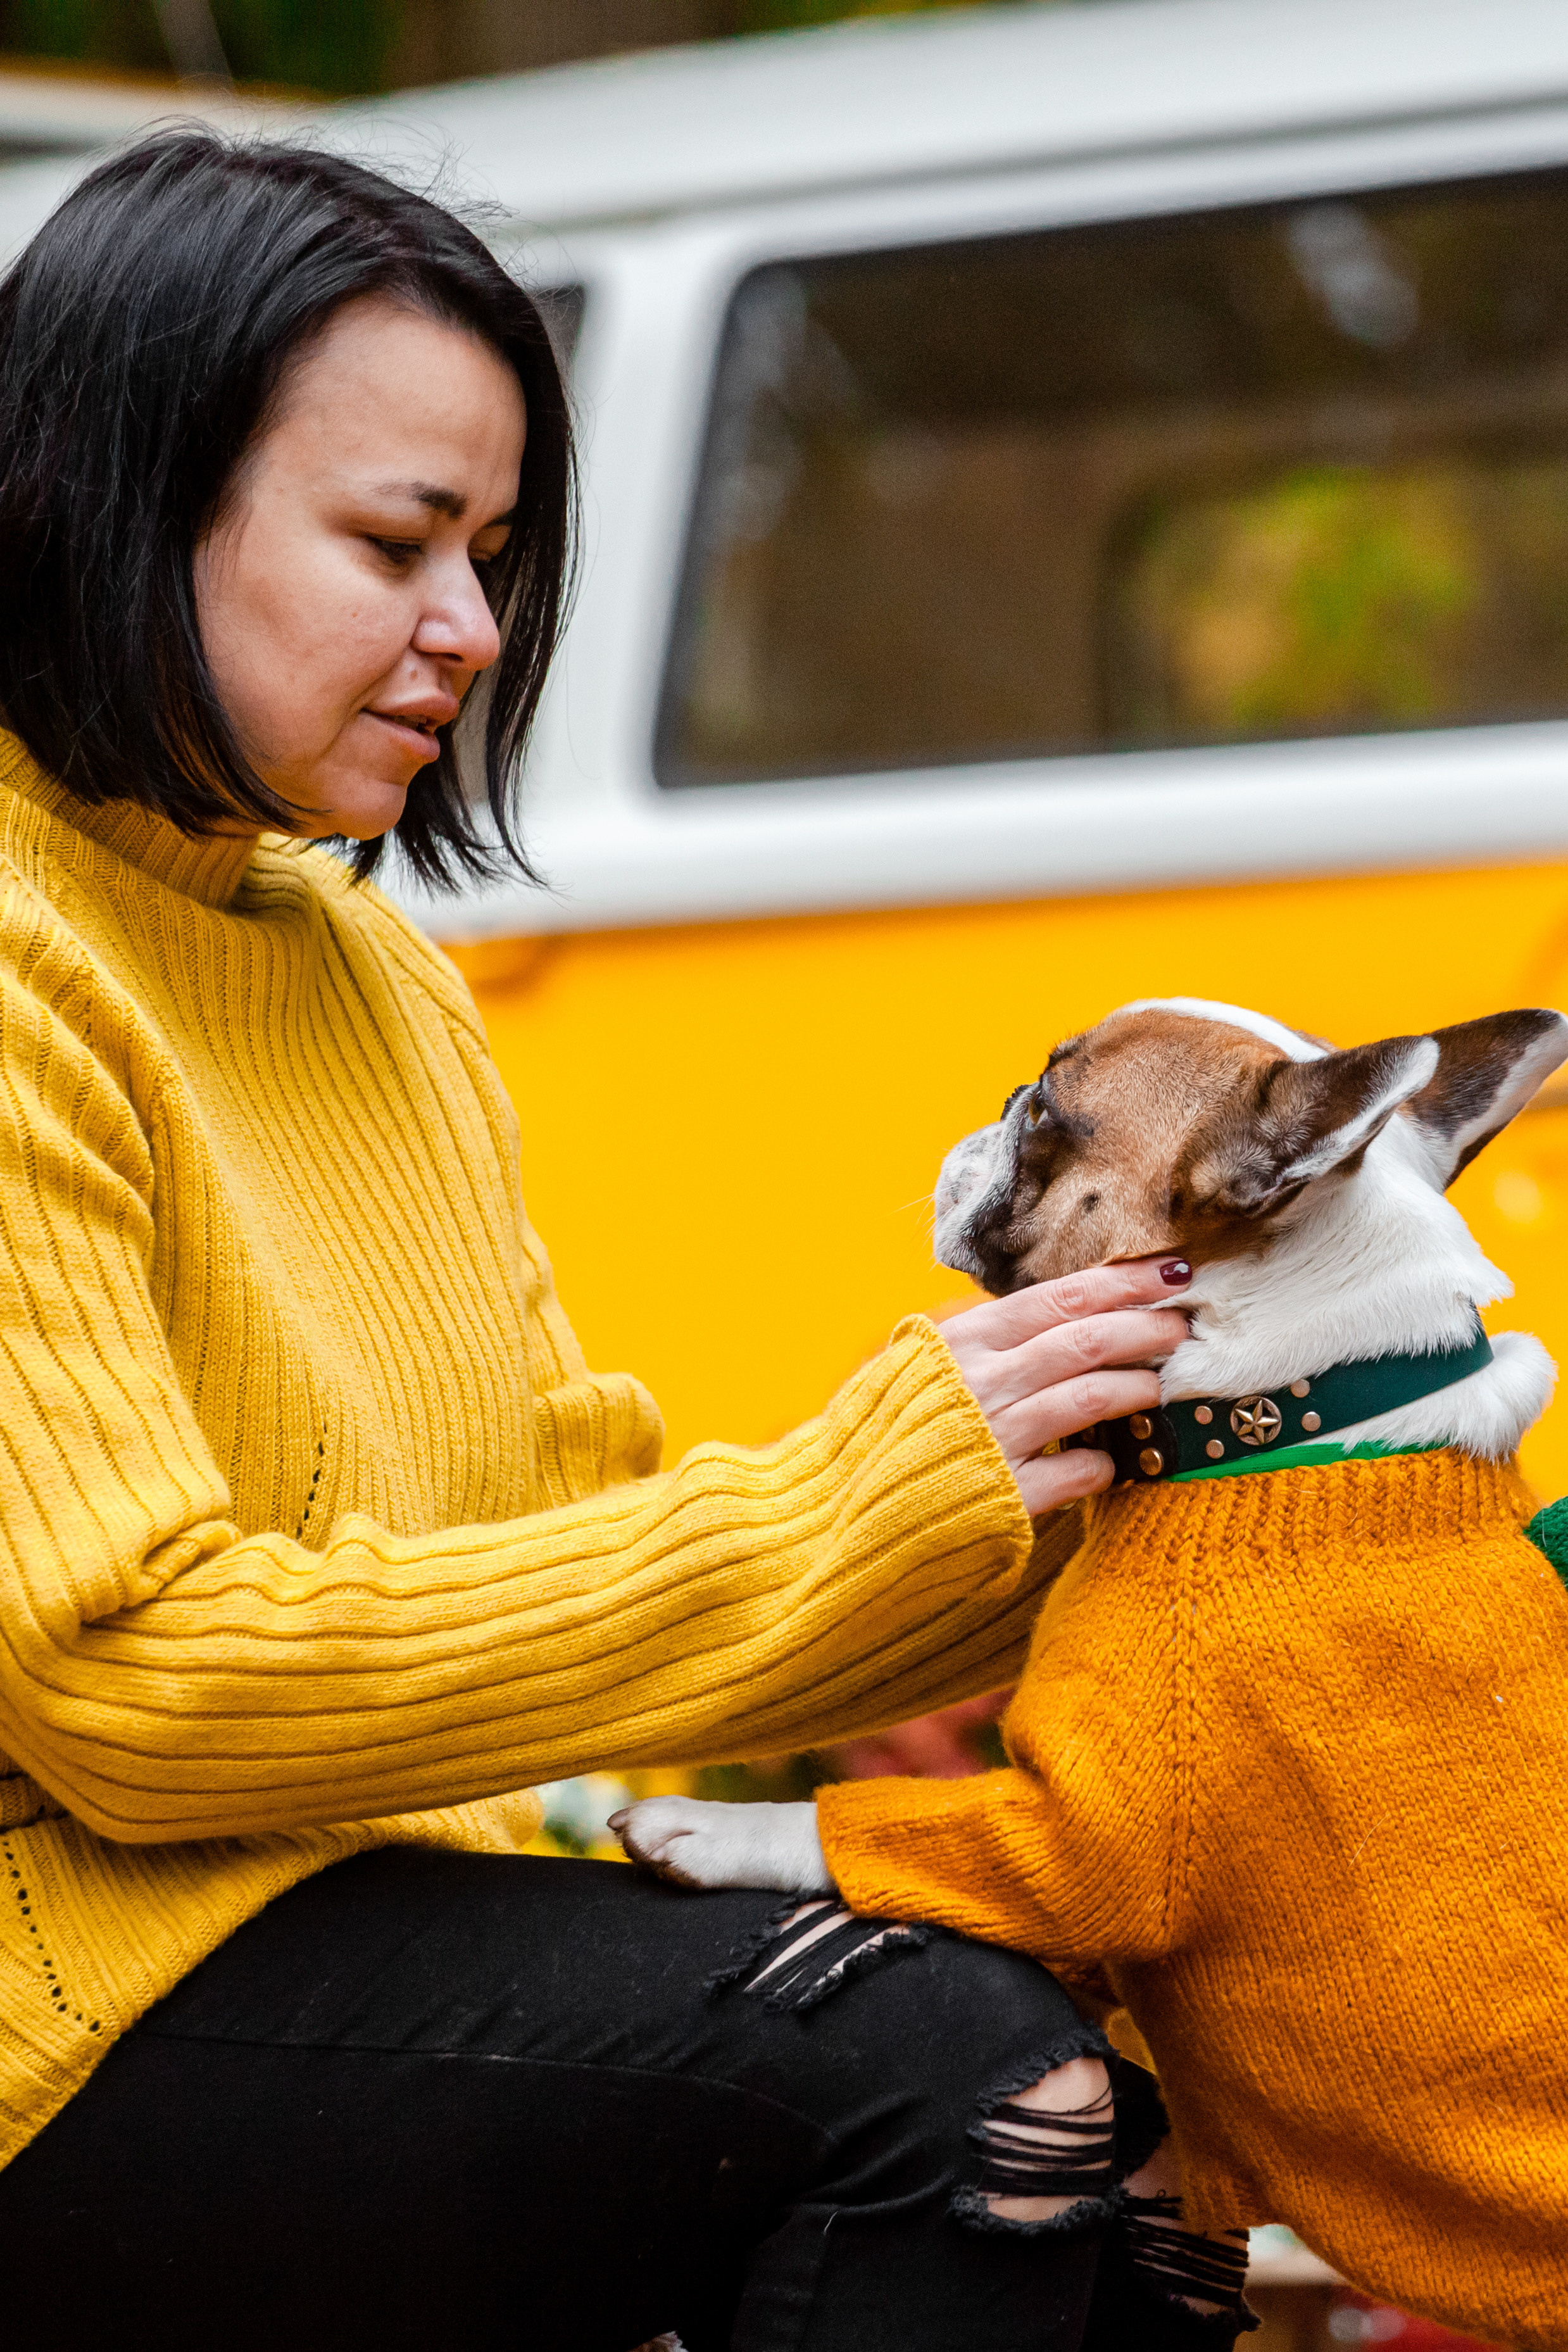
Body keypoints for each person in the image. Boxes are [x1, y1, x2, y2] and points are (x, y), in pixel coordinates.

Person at [0, 132, 1211, 2351]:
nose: (470, 629)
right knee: (949, 2081)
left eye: (488, 554)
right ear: (112, 499)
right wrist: (863, 1498)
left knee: (1155, 2114)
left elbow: (572, 1569)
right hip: (53, 2011)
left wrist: (1105, 1502)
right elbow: (131, 1689)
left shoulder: (376, 977)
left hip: (352, 1927)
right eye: (394, 544)